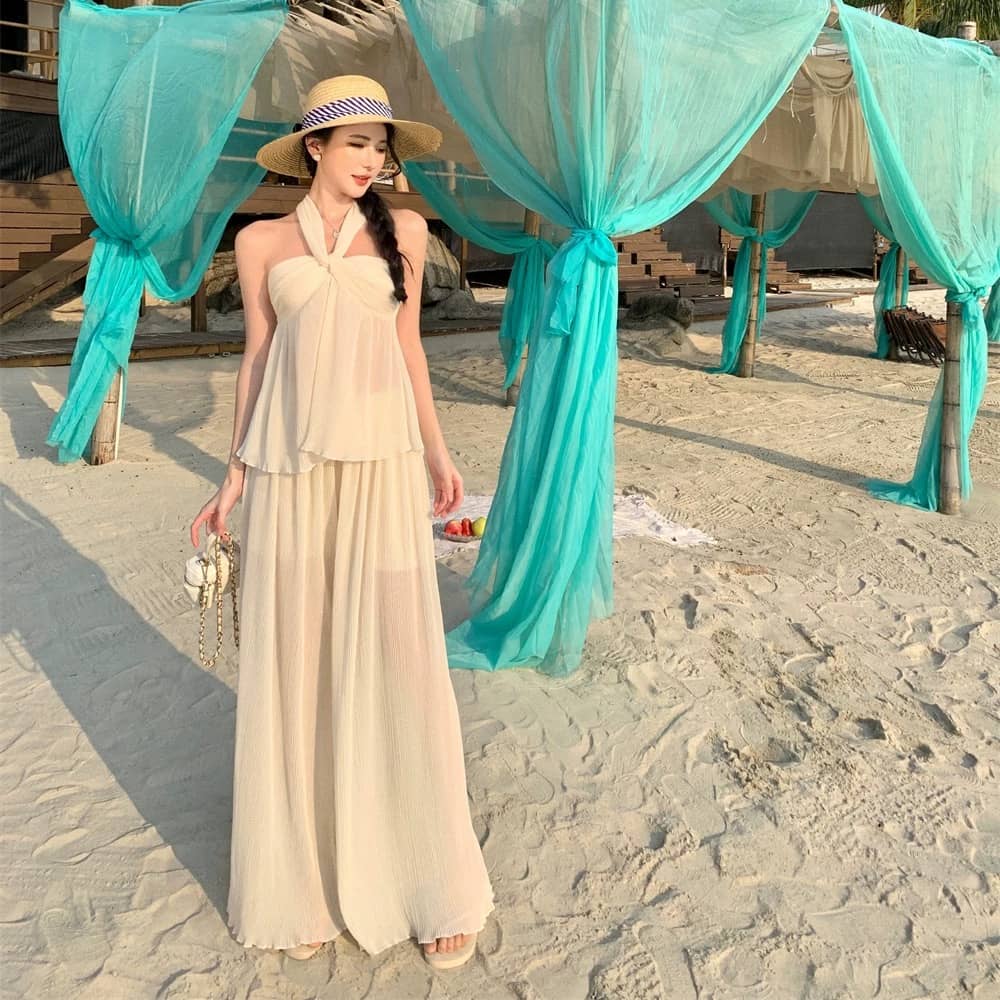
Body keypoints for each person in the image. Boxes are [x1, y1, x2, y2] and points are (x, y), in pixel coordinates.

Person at [189, 76, 494, 970]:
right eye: (357, 142)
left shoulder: (405, 232)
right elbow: (257, 360)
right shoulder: (259, 242)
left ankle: (429, 877)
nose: (372, 159)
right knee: (300, 660)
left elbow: (409, 352)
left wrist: (438, 453)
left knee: (400, 654)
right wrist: (233, 475)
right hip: (289, 473)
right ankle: (302, 880)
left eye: (381, 145)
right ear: (314, 147)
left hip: (381, 467)